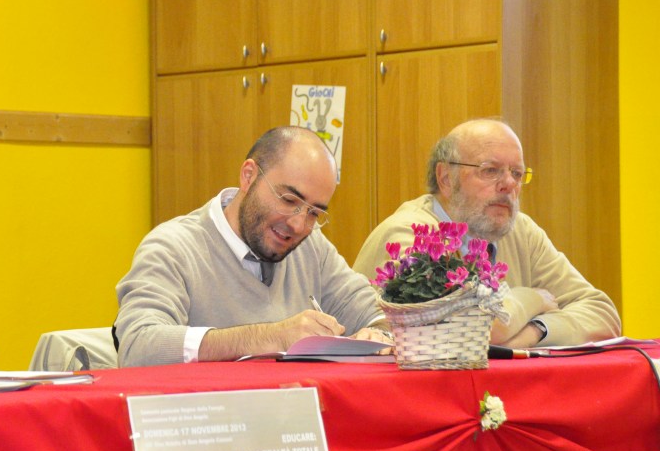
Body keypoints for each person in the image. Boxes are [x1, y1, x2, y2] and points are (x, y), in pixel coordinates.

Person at [115, 126, 391, 367]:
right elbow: (137, 347)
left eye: (314, 213)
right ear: (248, 176)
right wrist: (269, 337)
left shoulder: (311, 246)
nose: (298, 224)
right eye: (288, 200)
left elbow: (377, 313)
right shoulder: (173, 248)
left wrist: (379, 333)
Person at [353, 118, 620, 348]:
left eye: (517, 173)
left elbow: (602, 313)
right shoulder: (411, 234)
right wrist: (534, 298)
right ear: (446, 178)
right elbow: (466, 327)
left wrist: (535, 331)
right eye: (490, 170)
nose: (508, 184)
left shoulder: (521, 231)